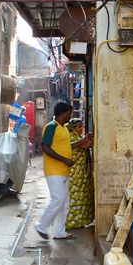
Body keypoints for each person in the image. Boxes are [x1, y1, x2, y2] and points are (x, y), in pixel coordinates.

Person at [34, 102, 90, 241]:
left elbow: (68, 146)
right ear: (63, 113)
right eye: (69, 114)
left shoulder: (63, 128)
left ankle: (59, 232)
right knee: (58, 199)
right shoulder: (51, 127)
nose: (70, 116)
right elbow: (45, 148)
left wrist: (84, 139)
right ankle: (41, 225)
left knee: (64, 203)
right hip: (53, 170)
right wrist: (64, 160)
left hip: (64, 171)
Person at [65, 118, 94, 230]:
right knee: (75, 197)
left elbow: (88, 144)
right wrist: (86, 139)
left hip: (81, 173)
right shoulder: (72, 136)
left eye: (82, 126)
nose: (81, 129)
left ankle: (79, 222)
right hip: (75, 174)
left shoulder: (77, 137)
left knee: (81, 197)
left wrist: (86, 139)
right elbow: (86, 145)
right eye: (79, 127)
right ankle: (72, 223)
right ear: (73, 128)